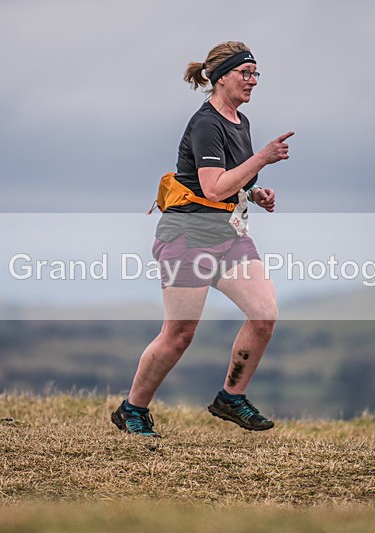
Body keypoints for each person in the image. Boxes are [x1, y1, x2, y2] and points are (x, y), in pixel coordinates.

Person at [111, 41, 293, 438]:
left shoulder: (239, 121)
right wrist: (261, 158)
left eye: (255, 74)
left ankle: (230, 397)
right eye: (246, 73)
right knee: (179, 335)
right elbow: (212, 188)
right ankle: (133, 409)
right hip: (188, 236)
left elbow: (229, 184)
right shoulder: (207, 123)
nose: (253, 81)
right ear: (221, 76)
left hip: (228, 233)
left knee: (264, 315)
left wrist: (254, 193)